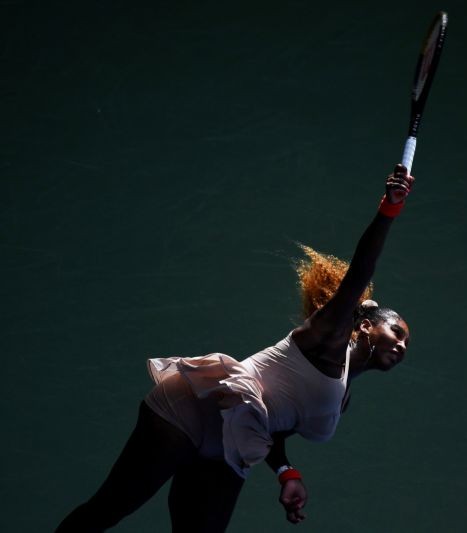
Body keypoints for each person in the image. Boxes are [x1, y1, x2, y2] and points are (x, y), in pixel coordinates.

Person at [56, 164, 415, 532]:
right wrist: (389, 208)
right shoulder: (328, 335)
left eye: (406, 341)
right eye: (397, 332)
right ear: (366, 325)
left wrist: (286, 472)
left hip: (228, 450)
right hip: (193, 411)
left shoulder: (343, 397)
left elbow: (274, 428)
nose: (402, 344)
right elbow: (361, 269)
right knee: (108, 510)